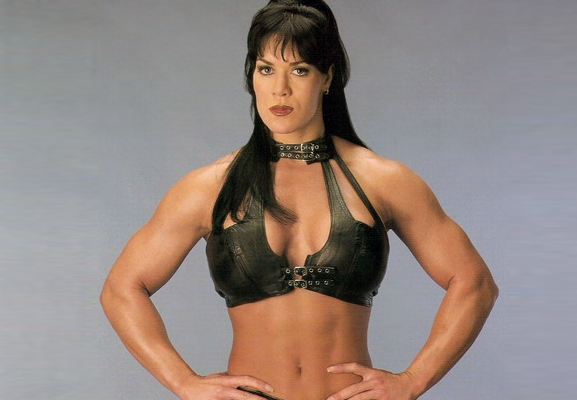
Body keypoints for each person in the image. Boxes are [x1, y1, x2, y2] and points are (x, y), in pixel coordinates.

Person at [100, 1, 499, 400]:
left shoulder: (383, 180)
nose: (280, 88)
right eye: (266, 69)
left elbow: (475, 284)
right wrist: (183, 382)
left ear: (327, 78)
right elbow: (121, 289)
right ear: (251, 76)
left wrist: (413, 380)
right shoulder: (210, 187)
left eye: (300, 70)